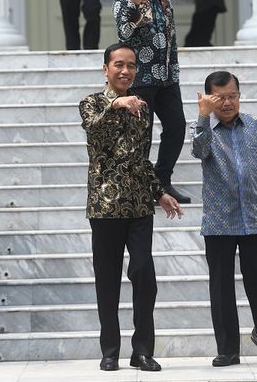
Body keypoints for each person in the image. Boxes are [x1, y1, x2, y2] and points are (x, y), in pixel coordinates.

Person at [79, 43, 183, 372]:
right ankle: (110, 350)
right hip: (105, 207)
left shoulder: (143, 109)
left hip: (139, 206)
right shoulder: (91, 103)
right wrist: (115, 105)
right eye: (119, 65)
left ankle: (142, 351)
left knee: (143, 274)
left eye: (132, 66)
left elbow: (140, 160)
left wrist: (159, 192)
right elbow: (94, 130)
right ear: (105, 68)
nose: (126, 71)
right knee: (107, 280)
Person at [190, 71, 257, 367]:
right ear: (207, 98)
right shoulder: (203, 129)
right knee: (221, 288)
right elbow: (198, 151)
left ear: (239, 95)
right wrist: (204, 117)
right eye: (220, 98)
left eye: (232, 96)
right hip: (219, 222)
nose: (227, 103)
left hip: (254, 217)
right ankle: (228, 349)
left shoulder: (256, 127)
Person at [113, 0, 191, 204]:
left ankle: (162, 180)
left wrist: (175, 71)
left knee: (177, 127)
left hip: (167, 78)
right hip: (141, 79)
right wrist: (135, 8)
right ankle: (141, 187)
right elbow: (124, 35)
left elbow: (171, 40)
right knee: (141, 135)